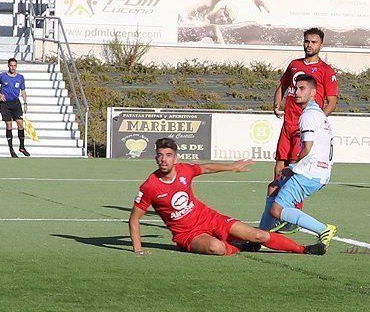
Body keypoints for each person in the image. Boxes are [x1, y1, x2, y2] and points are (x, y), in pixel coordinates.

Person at [129, 138, 326, 256]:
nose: (164, 159)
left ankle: (304, 250)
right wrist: (138, 249)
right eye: (160, 155)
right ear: (156, 157)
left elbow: (205, 168)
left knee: (259, 235)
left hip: (209, 218)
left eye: (168, 155)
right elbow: (134, 220)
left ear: (176, 157)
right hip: (187, 234)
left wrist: (232, 166)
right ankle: (237, 246)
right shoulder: (150, 186)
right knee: (217, 248)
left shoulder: (184, 170)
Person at [270, 27, 338, 232]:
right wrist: (276, 104)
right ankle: (276, 210)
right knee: (279, 166)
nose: (309, 45)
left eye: (314, 42)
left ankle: (291, 217)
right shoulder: (294, 65)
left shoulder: (326, 71)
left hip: (305, 128)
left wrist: (317, 122)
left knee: (297, 168)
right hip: (288, 124)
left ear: (321, 45)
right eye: (307, 41)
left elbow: (332, 102)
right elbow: (282, 85)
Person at [259, 75, 338, 249]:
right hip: (319, 171)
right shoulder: (317, 114)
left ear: (313, 93)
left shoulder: (308, 115)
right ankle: (260, 237)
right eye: (295, 88)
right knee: (273, 187)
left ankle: (323, 229)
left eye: (302, 88)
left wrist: (293, 167)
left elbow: (307, 148)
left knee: (276, 210)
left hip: (310, 173)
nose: (296, 92)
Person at [0, 57, 30, 158]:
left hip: (16, 103)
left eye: (14, 65)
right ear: (8, 66)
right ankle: (11, 149)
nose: (13, 67)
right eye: (11, 65)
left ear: (16, 66)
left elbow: (23, 91)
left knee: (20, 124)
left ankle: (22, 147)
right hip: (5, 104)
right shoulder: (2, 76)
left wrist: (25, 103)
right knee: (9, 125)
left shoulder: (20, 77)